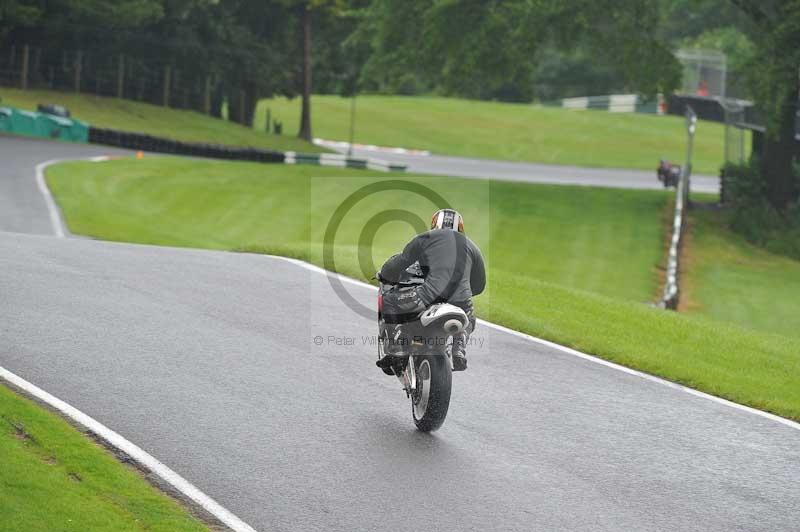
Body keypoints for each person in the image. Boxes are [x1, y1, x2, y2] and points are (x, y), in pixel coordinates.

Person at [377, 208, 485, 372]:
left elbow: (401, 261)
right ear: (461, 228)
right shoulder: (472, 247)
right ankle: (459, 349)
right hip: (462, 303)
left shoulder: (425, 238)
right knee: (469, 317)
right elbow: (479, 285)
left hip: (427, 296)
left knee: (389, 300)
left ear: (435, 224)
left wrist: (384, 273)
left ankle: (397, 348)